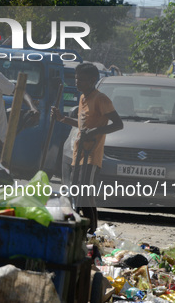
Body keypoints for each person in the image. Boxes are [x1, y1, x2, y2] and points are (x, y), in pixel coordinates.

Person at [51, 62, 123, 233]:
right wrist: (62, 119)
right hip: (79, 152)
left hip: (92, 154)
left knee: (84, 195)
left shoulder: (101, 99)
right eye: (76, 79)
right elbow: (83, 126)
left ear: (92, 80)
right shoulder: (83, 98)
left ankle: (91, 231)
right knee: (79, 194)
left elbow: (118, 124)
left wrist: (96, 131)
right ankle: (88, 231)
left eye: (81, 80)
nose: (77, 83)